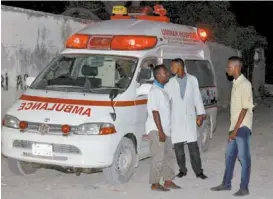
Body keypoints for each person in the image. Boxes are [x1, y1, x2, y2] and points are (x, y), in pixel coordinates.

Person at [211, 56, 253, 196]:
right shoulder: (236, 83)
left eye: (228, 67)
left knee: (243, 157)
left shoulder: (245, 84)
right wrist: (232, 130)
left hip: (242, 127)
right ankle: (226, 184)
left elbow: (245, 109)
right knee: (229, 155)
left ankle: (244, 188)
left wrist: (235, 130)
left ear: (236, 67)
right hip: (235, 127)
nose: (226, 69)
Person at [164, 58, 208, 180]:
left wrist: (200, 114)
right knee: (178, 149)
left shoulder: (193, 80)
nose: (171, 69)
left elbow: (197, 98)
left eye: (173, 66)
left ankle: (199, 171)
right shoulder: (170, 83)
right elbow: (165, 101)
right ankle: (182, 170)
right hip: (176, 119)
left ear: (179, 67)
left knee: (193, 147)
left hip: (189, 118)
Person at [145, 64, 181, 191]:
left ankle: (168, 180)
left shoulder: (162, 90)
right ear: (159, 75)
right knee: (158, 157)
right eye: (165, 73)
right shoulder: (154, 91)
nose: (167, 75)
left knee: (168, 156)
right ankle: (155, 183)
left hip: (165, 130)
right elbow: (155, 113)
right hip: (157, 130)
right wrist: (160, 131)